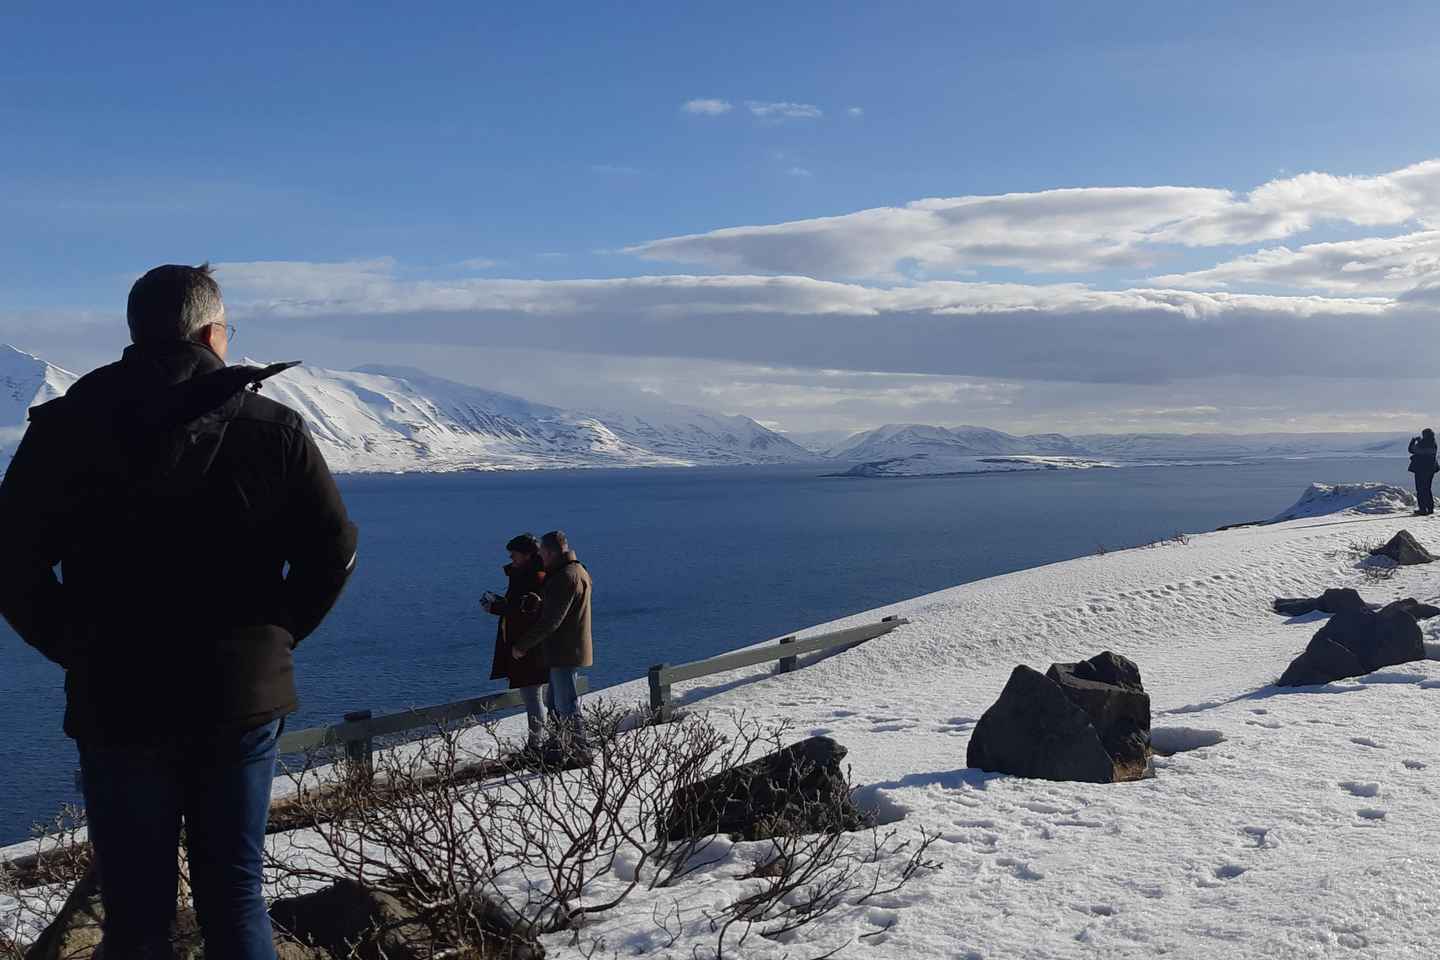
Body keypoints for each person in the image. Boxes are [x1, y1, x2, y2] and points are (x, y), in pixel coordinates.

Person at [0, 264, 358, 960]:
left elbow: (11, 562)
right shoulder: (273, 427)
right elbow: (334, 550)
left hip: (116, 690)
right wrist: (277, 634)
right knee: (235, 896)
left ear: (137, 332)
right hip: (241, 693)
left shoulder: (67, 426)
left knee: (135, 911)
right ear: (209, 333)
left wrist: (72, 643)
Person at [511, 530, 593, 759]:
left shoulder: (564, 577)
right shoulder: (577, 570)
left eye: (542, 554)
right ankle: (557, 750)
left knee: (566, 705)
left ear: (549, 552)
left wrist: (522, 645)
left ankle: (580, 752)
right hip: (569, 649)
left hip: (564, 651)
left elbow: (552, 621)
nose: (540, 558)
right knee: (555, 703)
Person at [482, 532, 549, 751]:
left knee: (532, 697)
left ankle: (536, 746)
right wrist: (501, 605)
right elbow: (521, 606)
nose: (511, 558)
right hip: (530, 645)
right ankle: (540, 743)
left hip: (528, 647)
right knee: (536, 697)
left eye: (514, 555)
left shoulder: (533, 577)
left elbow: (527, 610)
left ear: (527, 555)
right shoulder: (532, 575)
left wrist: (497, 608)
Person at [1409, 428, 1438, 516]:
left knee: (1420, 489)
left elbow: (1412, 450)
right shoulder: (1433, 443)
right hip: (1431, 469)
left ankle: (1422, 509)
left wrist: (1413, 441)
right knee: (1427, 489)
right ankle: (1430, 508)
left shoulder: (1423, 443)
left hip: (1421, 469)